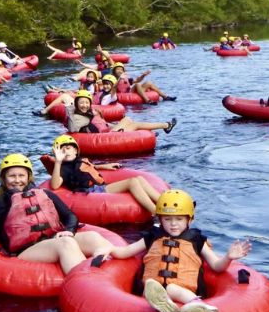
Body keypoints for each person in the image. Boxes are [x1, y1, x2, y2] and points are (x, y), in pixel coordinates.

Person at [94, 190, 252, 312]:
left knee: (172, 288)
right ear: (160, 220)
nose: (173, 224)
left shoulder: (197, 240)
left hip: (182, 290)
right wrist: (110, 249)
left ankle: (197, 305)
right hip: (152, 293)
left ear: (189, 219)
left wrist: (229, 257)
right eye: (167, 219)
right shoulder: (152, 237)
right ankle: (165, 306)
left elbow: (217, 266)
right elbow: (126, 251)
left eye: (179, 219)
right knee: (150, 287)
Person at [0, 154, 114, 274]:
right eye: (12, 176)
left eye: (21, 176)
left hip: (52, 239)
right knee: (65, 244)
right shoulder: (0, 202)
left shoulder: (43, 194)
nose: (17, 180)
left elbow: (70, 216)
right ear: (3, 179)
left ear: (28, 177)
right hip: (26, 250)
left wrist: (69, 230)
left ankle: (116, 261)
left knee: (91, 236)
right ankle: (88, 280)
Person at [48, 135, 161, 213]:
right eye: (62, 151)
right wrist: (58, 162)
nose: (65, 152)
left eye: (68, 148)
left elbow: (88, 169)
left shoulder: (80, 161)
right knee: (133, 182)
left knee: (139, 178)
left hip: (99, 187)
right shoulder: (64, 168)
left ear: (75, 151)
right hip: (91, 193)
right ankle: (156, 213)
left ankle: (164, 202)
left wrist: (104, 166)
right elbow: (55, 185)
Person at [39, 90, 176, 134]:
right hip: (106, 137)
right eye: (82, 103)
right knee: (130, 122)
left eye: (86, 102)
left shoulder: (91, 113)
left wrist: (113, 126)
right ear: (76, 104)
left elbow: (103, 125)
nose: (84, 105)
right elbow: (73, 126)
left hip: (108, 131)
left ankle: (164, 126)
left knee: (127, 120)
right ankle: (165, 125)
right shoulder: (75, 116)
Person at [111, 62, 176, 104]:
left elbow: (137, 81)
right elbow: (113, 87)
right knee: (137, 85)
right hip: (123, 95)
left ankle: (165, 97)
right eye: (117, 69)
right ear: (114, 71)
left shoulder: (126, 78)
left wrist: (143, 75)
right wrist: (120, 78)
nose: (119, 71)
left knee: (148, 82)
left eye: (121, 69)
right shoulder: (112, 78)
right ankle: (147, 100)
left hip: (130, 92)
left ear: (123, 71)